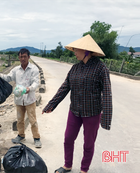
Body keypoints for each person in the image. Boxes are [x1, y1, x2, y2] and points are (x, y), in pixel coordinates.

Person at [42, 34, 112, 173]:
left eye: (76, 49)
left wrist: (106, 118)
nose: (74, 52)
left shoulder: (100, 68)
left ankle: (84, 170)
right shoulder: (75, 68)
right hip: (74, 111)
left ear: (86, 50)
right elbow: (64, 87)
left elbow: (107, 94)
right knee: (68, 138)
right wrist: (51, 104)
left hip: (92, 113)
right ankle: (67, 165)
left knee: (88, 144)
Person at [0, 48, 42, 148]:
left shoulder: (33, 69)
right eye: (21, 57)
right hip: (19, 100)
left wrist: (29, 89)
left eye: (25, 56)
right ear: (19, 58)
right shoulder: (16, 70)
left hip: (30, 99)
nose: (23, 58)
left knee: (32, 120)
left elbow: (36, 82)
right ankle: (21, 135)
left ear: (29, 57)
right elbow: (8, 78)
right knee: (19, 119)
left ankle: (36, 138)